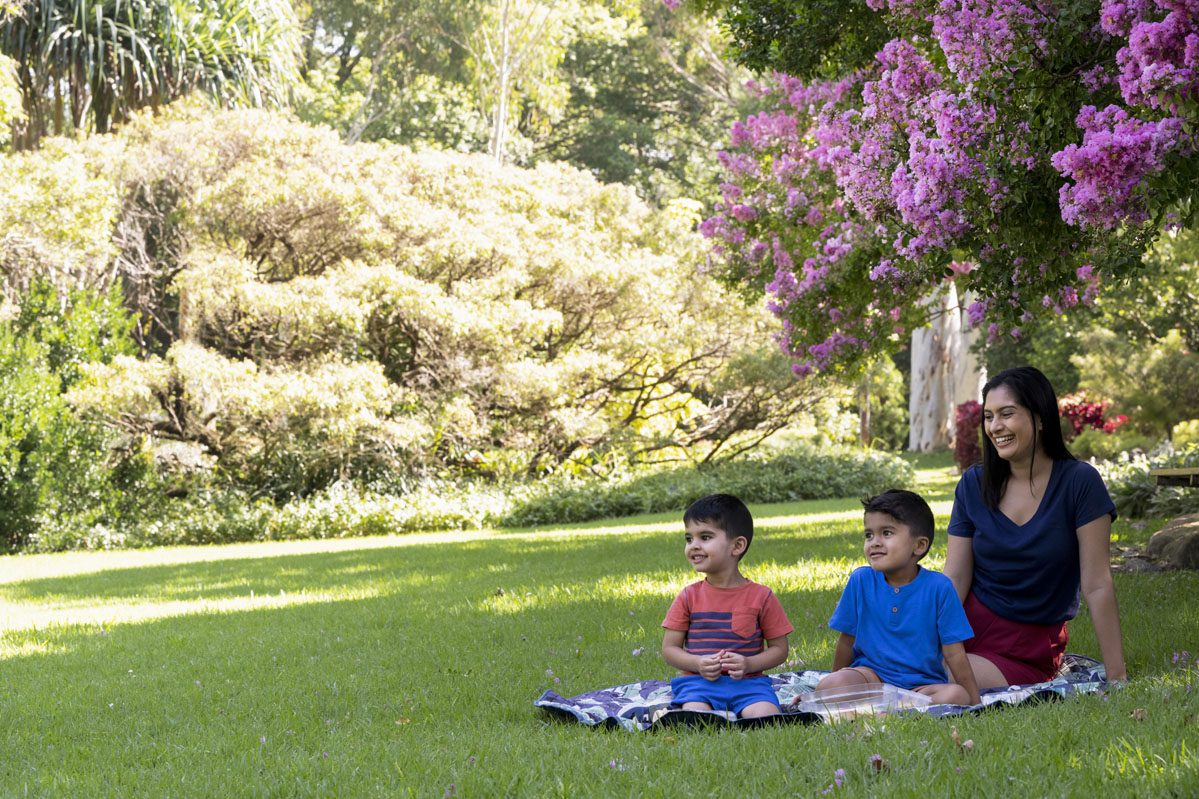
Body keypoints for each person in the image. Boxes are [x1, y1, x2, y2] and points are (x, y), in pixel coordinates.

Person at [945, 366, 1127, 689]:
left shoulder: (1079, 483)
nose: (995, 426)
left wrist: (1118, 678)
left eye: (1007, 414)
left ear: (1040, 418)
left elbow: (1098, 584)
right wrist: (926, 638)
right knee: (893, 662)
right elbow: (955, 578)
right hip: (965, 627)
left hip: (1028, 648)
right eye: (989, 416)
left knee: (931, 678)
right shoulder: (973, 484)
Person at [811, 489, 980, 706]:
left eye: (887, 533)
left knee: (956, 696)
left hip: (921, 686)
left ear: (919, 545)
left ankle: (892, 707)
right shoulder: (861, 580)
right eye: (869, 534)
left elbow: (955, 654)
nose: (875, 542)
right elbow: (846, 640)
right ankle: (893, 707)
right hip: (872, 678)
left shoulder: (939, 587)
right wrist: (834, 686)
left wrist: (975, 702)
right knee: (834, 684)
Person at [661, 494, 793, 718]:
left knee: (766, 717)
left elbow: (780, 650)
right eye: (689, 539)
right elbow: (669, 650)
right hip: (698, 685)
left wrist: (749, 664)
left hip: (749, 686)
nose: (694, 546)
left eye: (705, 537)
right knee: (696, 717)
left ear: (737, 545)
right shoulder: (687, 597)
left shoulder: (762, 597)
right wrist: (698, 663)